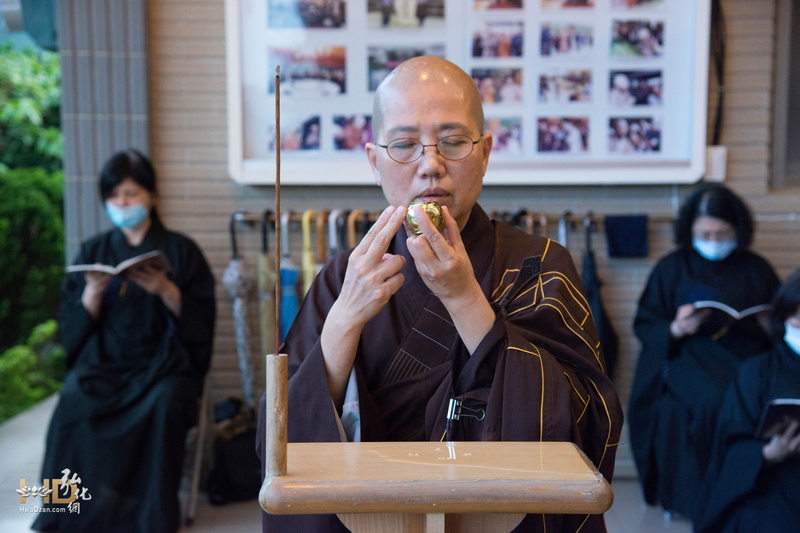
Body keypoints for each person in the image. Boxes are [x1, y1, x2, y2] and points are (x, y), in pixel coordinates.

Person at [257, 56, 622, 533]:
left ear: (485, 153)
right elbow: (280, 444)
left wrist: (464, 297)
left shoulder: (539, 264)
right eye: (405, 144)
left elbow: (582, 422)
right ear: (374, 160)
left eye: (453, 142)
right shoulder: (344, 277)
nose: (431, 165)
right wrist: (345, 318)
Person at [33, 149, 216, 533]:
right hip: (105, 363)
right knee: (72, 400)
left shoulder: (182, 251)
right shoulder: (94, 251)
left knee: (165, 401)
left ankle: (148, 516)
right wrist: (92, 294)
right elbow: (72, 328)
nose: (122, 203)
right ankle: (62, 512)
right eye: (114, 196)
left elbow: (201, 324)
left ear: (150, 195)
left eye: (131, 194)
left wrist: (166, 289)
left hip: (164, 364)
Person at [628, 183, 780, 522]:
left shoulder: (756, 268)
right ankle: (695, 499)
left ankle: (744, 491)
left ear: (737, 230)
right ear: (690, 230)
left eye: (722, 233)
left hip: (745, 356)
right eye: (705, 233)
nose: (714, 240)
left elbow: (782, 328)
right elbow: (644, 324)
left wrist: (769, 323)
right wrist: (677, 328)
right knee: (703, 403)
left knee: (743, 397)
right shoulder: (672, 268)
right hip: (689, 355)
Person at [693, 268, 800, 532]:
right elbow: (731, 442)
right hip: (777, 477)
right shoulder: (757, 371)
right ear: (785, 318)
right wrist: (768, 453)